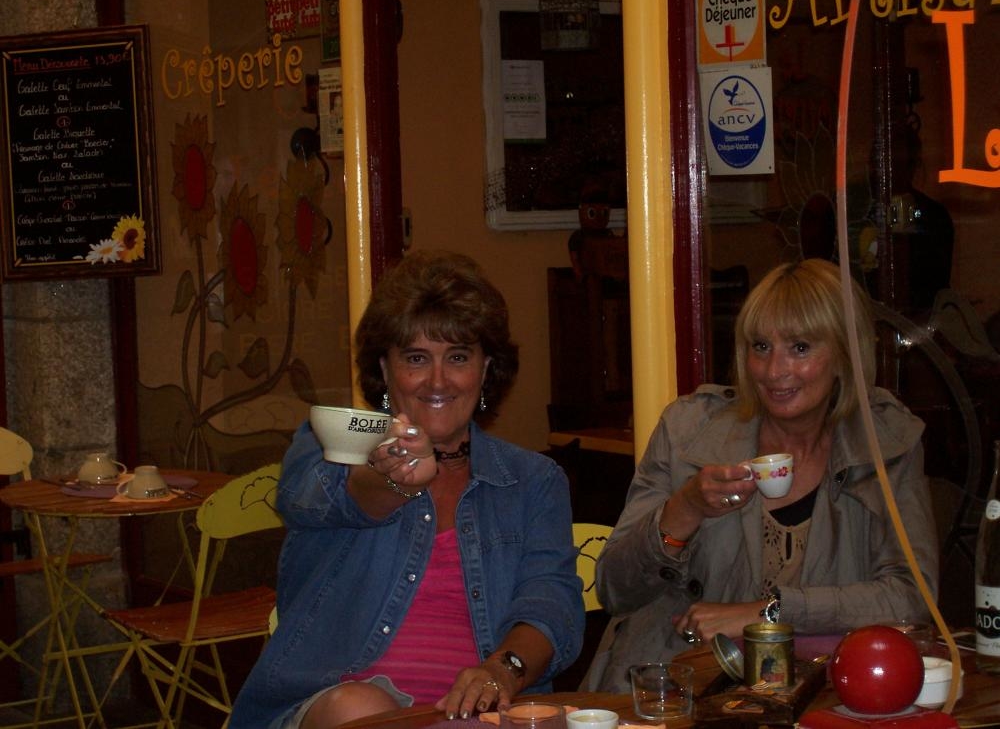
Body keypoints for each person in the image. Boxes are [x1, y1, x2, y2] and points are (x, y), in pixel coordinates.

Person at [230, 250, 584, 728]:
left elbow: (551, 605)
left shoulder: (534, 481)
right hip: (339, 711)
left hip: (484, 717)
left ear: (485, 369)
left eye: (457, 357)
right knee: (361, 709)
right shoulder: (328, 443)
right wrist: (391, 479)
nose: (437, 381)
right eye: (416, 358)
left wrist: (502, 671)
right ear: (385, 368)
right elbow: (315, 498)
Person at [584, 258, 939, 693]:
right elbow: (613, 590)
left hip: (824, 691)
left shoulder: (885, 443)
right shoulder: (689, 431)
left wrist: (768, 611)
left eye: (800, 348)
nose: (774, 371)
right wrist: (685, 508)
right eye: (761, 346)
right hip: (673, 688)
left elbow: (912, 597)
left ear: (845, 355)